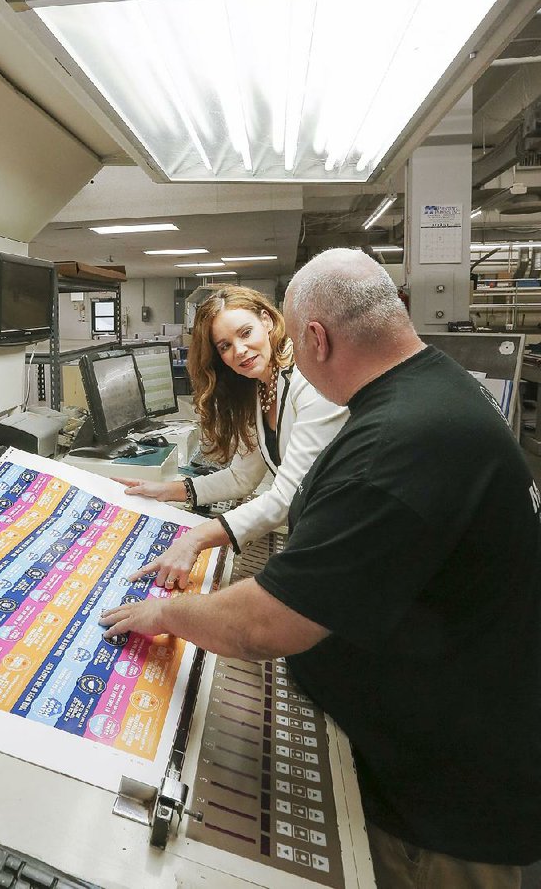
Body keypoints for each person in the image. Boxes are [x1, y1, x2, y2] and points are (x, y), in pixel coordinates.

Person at [101, 249, 541, 888]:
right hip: (436, 747)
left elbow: (269, 625)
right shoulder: (426, 392)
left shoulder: (396, 443)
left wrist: (165, 612)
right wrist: (180, 498)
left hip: (441, 801)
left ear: (310, 337)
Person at [117, 285, 348, 590]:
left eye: (245, 332)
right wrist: (167, 490)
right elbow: (242, 477)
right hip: (316, 533)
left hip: (347, 539)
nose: (238, 350)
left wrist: (196, 538)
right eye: (225, 346)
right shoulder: (262, 386)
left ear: (267, 321)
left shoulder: (309, 381)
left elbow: (287, 497)